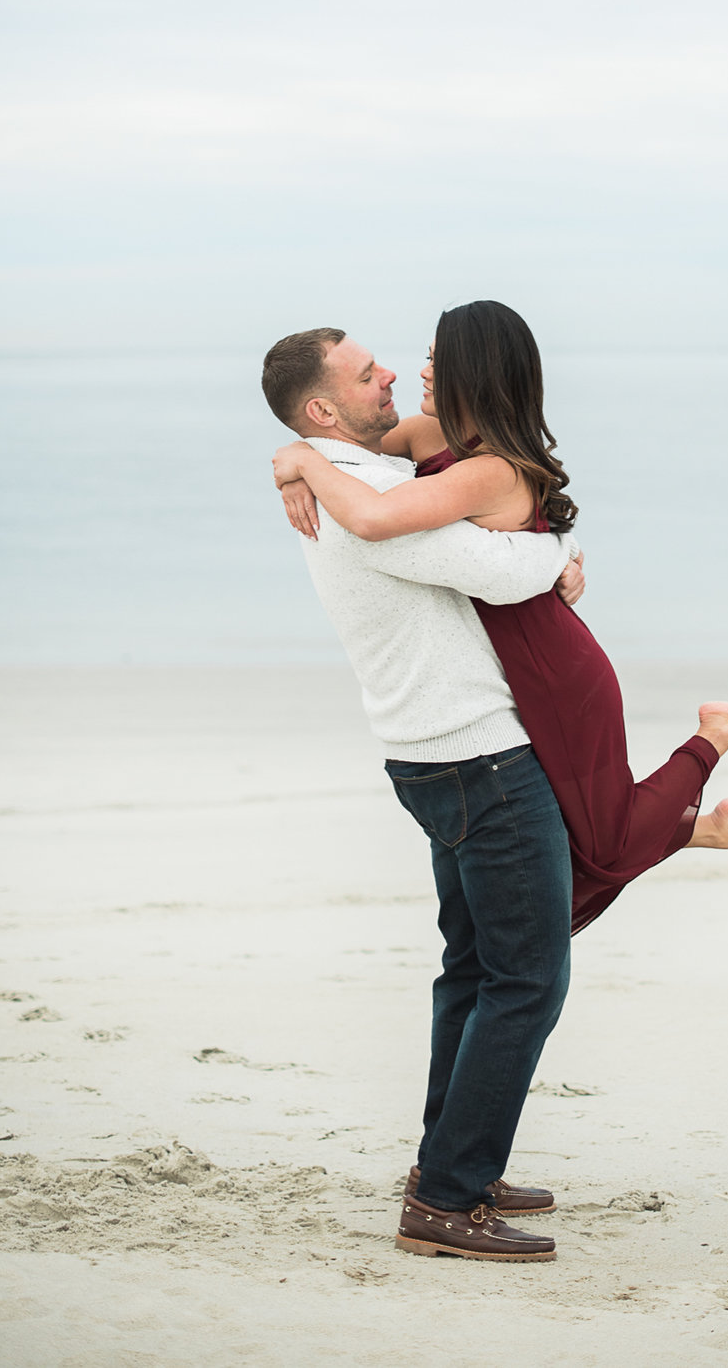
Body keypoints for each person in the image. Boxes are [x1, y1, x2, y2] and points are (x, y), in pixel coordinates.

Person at [271, 300, 728, 937]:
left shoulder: (490, 467)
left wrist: (304, 464)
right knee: (582, 826)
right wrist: (294, 454)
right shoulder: (426, 437)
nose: (413, 373)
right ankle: (700, 827)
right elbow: (349, 444)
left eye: (436, 361)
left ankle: (713, 743)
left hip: (550, 663)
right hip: (520, 655)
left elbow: (375, 517)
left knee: (597, 835)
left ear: (473, 374)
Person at [261, 324, 590, 1261]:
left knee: (476, 968)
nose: (392, 374)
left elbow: (491, 559)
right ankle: (446, 1198)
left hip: (434, 752)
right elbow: (503, 567)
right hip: (477, 756)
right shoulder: (365, 494)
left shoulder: (330, 472)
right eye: (368, 373)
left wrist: (289, 461)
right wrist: (558, 551)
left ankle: (452, 1166)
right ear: (324, 408)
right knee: (528, 979)